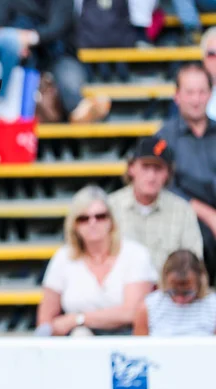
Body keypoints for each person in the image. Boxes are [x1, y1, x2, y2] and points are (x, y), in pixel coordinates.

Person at [36, 185, 157, 336]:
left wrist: (77, 319)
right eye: (83, 218)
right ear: (74, 225)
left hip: (127, 339)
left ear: (111, 221)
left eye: (100, 216)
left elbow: (132, 312)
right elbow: (46, 320)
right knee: (80, 335)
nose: (92, 222)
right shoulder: (63, 257)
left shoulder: (135, 254)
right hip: (79, 341)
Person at [155, 62, 216, 284]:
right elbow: (162, 186)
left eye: (202, 92)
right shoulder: (164, 137)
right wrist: (208, 215)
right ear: (177, 96)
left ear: (211, 94)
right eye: (189, 92)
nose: (196, 99)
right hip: (185, 217)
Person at [108, 136, 203, 272]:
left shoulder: (182, 211)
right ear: (131, 168)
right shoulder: (109, 207)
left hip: (168, 290)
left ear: (168, 173)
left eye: (158, 168)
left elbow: (194, 264)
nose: (151, 176)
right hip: (120, 289)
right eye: (145, 167)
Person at [134, 250, 216, 336]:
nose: (180, 299)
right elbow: (139, 346)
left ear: (200, 283)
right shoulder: (148, 308)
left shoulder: (213, 306)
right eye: (173, 292)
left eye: (187, 293)